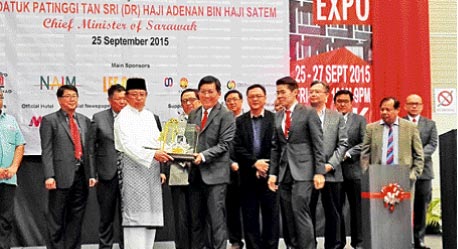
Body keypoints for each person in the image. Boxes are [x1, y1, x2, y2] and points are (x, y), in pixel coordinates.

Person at [267, 76, 326, 249]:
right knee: (288, 214)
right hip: (284, 172)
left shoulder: (308, 112)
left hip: (304, 171)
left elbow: (318, 144)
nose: (280, 95)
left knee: (300, 211)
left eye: (283, 92)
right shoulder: (278, 116)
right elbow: (275, 147)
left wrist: (319, 172)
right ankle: (292, 245)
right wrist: (272, 174)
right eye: (277, 92)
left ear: (295, 92)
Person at [114, 78, 171, 249]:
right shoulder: (122, 117)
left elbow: (158, 141)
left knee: (150, 218)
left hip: (151, 172)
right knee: (136, 220)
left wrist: (175, 149)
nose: (138, 98)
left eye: (142, 94)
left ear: (146, 95)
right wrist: (154, 153)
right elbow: (127, 146)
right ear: (127, 96)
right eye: (134, 94)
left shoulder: (149, 116)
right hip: (133, 170)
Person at [360, 97, 424, 246]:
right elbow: (364, 154)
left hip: (404, 180)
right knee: (378, 216)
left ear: (397, 110)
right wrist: (367, 175)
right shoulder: (371, 128)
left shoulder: (410, 128)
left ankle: (402, 244)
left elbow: (419, 155)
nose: (384, 112)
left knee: (402, 215)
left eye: (388, 109)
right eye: (382, 109)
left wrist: (412, 176)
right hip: (377, 179)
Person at [40, 85, 94, 249]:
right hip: (60, 177)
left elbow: (89, 151)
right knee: (56, 219)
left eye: (75, 96)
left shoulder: (84, 120)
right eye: (68, 96)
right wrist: (49, 175)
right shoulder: (50, 120)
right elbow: (47, 150)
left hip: (81, 176)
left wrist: (91, 174)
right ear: (59, 99)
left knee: (76, 218)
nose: (72, 99)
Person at [187, 75, 236, 249]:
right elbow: (189, 141)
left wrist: (203, 156)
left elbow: (224, 144)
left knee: (216, 221)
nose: (206, 95)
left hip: (215, 176)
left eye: (210, 92)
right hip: (194, 175)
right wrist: (182, 154)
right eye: (203, 92)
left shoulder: (226, 115)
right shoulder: (193, 114)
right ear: (198, 93)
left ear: (218, 93)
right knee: (196, 221)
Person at [233, 84, 279, 249]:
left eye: (258, 96)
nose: (255, 99)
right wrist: (255, 163)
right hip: (247, 176)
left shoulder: (275, 119)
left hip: (270, 176)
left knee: (271, 216)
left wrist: (266, 166)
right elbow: (237, 147)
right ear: (247, 99)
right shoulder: (240, 121)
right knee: (249, 216)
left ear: (265, 98)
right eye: (251, 96)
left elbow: (278, 147)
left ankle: (270, 246)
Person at [308, 81, 348, 249]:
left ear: (326, 95)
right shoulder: (302, 115)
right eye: (311, 92)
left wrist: (330, 165)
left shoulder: (337, 117)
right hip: (307, 173)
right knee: (307, 212)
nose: (313, 94)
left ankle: (334, 245)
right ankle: (309, 244)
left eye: (317, 91)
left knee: (333, 212)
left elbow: (343, 144)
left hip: (331, 173)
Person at [88, 84, 127, 249]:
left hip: (129, 175)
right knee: (106, 217)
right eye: (118, 99)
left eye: (125, 99)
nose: (123, 102)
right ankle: (105, 247)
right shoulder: (98, 118)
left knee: (127, 218)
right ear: (110, 100)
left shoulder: (134, 117)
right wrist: (92, 174)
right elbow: (90, 149)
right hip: (106, 174)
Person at [403, 94, 437, 249]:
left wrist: (417, 156)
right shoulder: (399, 123)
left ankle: (419, 240)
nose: (414, 106)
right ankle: (403, 238)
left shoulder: (430, 124)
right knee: (402, 206)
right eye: (411, 104)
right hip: (403, 171)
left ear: (422, 106)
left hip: (424, 171)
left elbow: (432, 144)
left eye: (417, 103)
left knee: (421, 207)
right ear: (405, 106)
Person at [334, 90, 366, 249]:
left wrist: (348, 153)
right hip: (335, 173)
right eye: (339, 101)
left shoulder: (360, 120)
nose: (342, 104)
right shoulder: (330, 120)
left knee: (356, 209)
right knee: (337, 210)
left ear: (351, 103)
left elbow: (365, 143)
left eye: (345, 101)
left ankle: (358, 242)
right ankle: (339, 242)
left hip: (354, 172)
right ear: (334, 103)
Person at [169, 88, 199, 249]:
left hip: (201, 176)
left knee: (197, 219)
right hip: (179, 176)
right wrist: (187, 161)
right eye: (184, 101)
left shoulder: (206, 121)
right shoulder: (173, 124)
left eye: (192, 99)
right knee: (181, 220)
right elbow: (168, 148)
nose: (188, 103)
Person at [0, 91, 26, 249]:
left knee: (6, 220)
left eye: (1, 97)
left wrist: (14, 167)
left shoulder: (10, 120)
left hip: (8, 179)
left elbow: (20, 145)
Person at [224, 89, 244, 249]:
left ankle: (253, 239)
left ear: (241, 101)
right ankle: (235, 240)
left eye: (235, 100)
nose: (232, 103)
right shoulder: (224, 122)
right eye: (229, 100)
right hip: (229, 170)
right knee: (232, 208)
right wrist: (231, 162)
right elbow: (221, 147)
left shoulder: (248, 119)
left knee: (250, 208)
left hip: (249, 170)